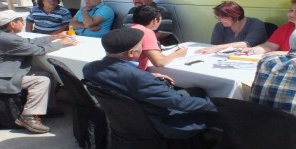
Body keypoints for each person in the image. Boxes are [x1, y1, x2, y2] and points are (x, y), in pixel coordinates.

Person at [83, 28, 218, 139]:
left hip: (123, 121)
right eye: (141, 47)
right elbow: (178, 103)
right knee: (215, 110)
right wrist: (219, 105)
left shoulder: (90, 68)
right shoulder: (139, 78)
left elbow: (118, 79)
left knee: (195, 92)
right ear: (131, 53)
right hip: (156, 124)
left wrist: (148, 75)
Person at [0, 10, 78, 133]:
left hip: (3, 70)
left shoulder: (5, 35)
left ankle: (47, 107)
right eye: (21, 20)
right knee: (41, 80)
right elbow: (37, 50)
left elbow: (30, 42)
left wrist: (55, 37)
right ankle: (28, 116)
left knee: (47, 74)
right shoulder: (7, 39)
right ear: (12, 24)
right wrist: (61, 44)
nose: (23, 23)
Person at [196, 1, 267, 54]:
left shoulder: (256, 24)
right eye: (218, 17)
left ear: (236, 16)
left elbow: (247, 44)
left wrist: (218, 48)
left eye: (223, 17)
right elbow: (214, 45)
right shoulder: (219, 26)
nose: (220, 20)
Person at [131, 5, 187, 70]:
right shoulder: (147, 32)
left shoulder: (130, 29)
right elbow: (159, 62)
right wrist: (178, 54)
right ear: (154, 20)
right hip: (135, 74)